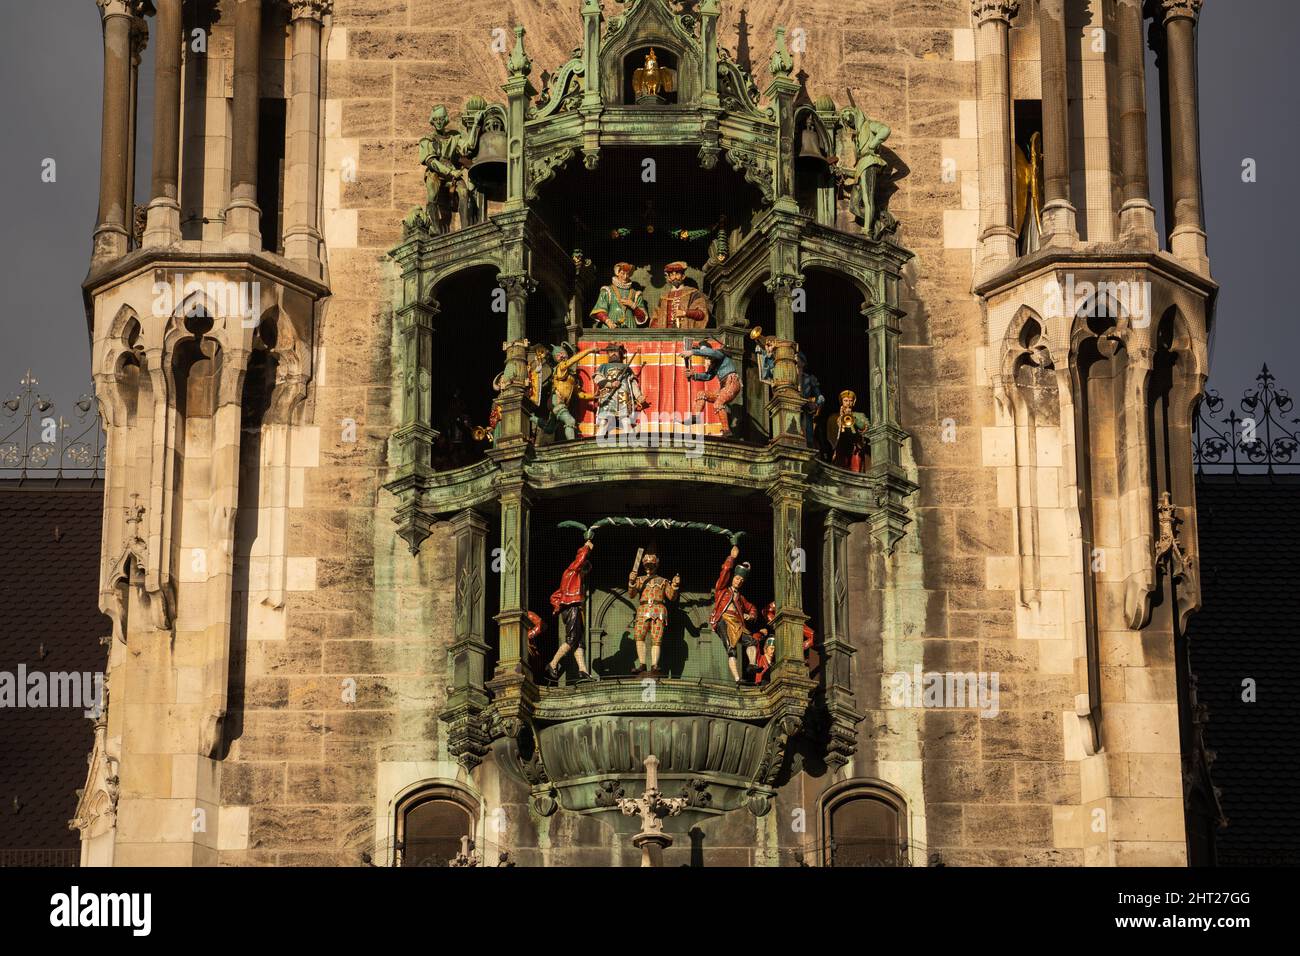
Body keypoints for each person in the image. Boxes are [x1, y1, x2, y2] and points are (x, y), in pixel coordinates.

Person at [546, 539, 598, 683]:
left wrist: (558, 606)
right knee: (572, 639)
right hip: (572, 608)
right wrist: (587, 546)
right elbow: (580, 559)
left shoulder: (569, 581)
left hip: (572, 608)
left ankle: (583, 670)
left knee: (579, 642)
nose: (584, 576)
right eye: (584, 572)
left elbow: (555, 596)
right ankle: (553, 663)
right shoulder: (572, 571)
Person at [709, 545, 760, 684]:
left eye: (742, 580)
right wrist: (731, 558)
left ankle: (752, 664)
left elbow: (752, 608)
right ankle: (737, 678)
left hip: (737, 623)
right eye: (737, 578)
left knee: (752, 642)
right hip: (723, 619)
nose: (739, 581)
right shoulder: (722, 590)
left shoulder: (741, 598)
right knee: (731, 649)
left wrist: (751, 615)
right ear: (733, 578)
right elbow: (725, 572)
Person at [627, 550, 680, 677]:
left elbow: (671, 597)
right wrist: (632, 582)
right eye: (646, 564)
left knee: (657, 638)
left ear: (656, 565)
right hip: (643, 609)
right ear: (644, 565)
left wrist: (674, 585)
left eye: (652, 564)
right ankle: (642, 664)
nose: (649, 567)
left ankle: (654, 665)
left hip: (658, 609)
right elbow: (631, 594)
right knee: (640, 636)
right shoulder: (640, 579)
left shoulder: (663, 581)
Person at [685, 339, 741, 437]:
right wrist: (694, 375)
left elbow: (710, 352)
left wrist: (693, 352)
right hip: (724, 387)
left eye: (705, 351)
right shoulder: (714, 364)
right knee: (701, 394)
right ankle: (695, 417)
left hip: (732, 382)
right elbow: (708, 376)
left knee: (718, 403)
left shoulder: (720, 354)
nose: (706, 356)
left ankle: (726, 430)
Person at [590, 343, 646, 438]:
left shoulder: (626, 368)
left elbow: (632, 383)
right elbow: (597, 379)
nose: (613, 354)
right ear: (608, 354)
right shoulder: (603, 366)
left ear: (620, 353)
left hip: (623, 396)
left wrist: (639, 396)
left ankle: (631, 440)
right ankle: (598, 440)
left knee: (625, 420)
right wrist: (610, 384)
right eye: (611, 352)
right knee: (604, 421)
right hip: (608, 396)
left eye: (615, 351)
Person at [651, 262, 710, 328]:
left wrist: (684, 313)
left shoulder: (693, 293)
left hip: (686, 333)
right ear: (669, 278)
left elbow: (701, 314)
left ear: (683, 276)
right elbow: (655, 318)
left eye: (677, 274)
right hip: (666, 335)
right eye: (672, 275)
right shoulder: (663, 298)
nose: (675, 277)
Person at [590, 262, 646, 328]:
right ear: (617, 273)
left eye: (627, 274)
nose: (625, 277)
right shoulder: (607, 291)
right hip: (611, 325)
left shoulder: (636, 294)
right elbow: (599, 311)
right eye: (622, 273)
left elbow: (642, 318)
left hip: (630, 327)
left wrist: (633, 305)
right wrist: (608, 321)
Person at [830, 389, 870, 472]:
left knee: (855, 470)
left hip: (855, 447)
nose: (848, 403)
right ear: (842, 402)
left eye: (851, 401)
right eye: (845, 401)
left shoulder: (859, 415)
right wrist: (841, 417)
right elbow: (832, 433)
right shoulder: (835, 417)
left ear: (853, 402)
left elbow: (863, 427)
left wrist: (853, 417)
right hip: (841, 447)